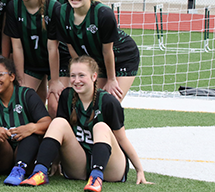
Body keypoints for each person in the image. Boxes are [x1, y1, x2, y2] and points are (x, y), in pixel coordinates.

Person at [19, 56, 152, 191]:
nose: (76, 81)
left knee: (101, 126)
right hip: (79, 164)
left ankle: (96, 178)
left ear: (94, 76)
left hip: (110, 169)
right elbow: (60, 134)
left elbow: (122, 139)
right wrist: (56, 162)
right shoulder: (67, 96)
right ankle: (39, 172)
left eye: (81, 75)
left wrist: (139, 170)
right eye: (73, 76)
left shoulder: (108, 102)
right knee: (58, 122)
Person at [57, 0, 140, 101]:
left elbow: (107, 51)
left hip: (122, 56)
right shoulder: (62, 12)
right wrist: (83, 72)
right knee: (88, 101)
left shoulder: (103, 14)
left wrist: (111, 80)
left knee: (108, 102)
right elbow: (71, 47)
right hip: (95, 58)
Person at [0, 55, 51, 186]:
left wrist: (31, 128)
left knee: (32, 135)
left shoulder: (27, 94)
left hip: (26, 154)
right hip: (3, 156)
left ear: (12, 76)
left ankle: (19, 170)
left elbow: (47, 122)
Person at [4, 0, 61, 116]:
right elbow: (17, 47)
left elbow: (52, 48)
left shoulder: (53, 7)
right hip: (31, 62)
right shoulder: (13, 6)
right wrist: (20, 78)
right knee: (22, 101)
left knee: (55, 106)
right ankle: (38, 136)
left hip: (55, 64)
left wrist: (54, 81)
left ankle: (57, 138)